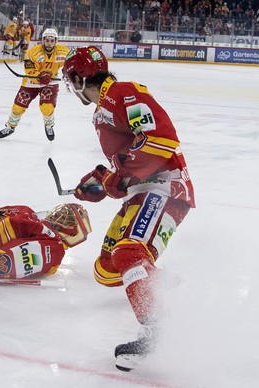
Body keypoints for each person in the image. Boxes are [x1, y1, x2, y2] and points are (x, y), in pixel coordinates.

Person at [61, 46, 195, 371]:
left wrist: (118, 174)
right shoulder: (103, 110)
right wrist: (103, 180)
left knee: (127, 253)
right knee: (106, 268)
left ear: (79, 78)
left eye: (70, 80)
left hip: (165, 187)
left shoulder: (122, 93)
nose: (70, 86)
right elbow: (127, 165)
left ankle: (156, 328)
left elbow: (160, 139)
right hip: (143, 193)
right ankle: (159, 282)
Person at [0, 28, 69, 142]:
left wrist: (67, 73)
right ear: (43, 40)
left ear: (56, 41)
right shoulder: (32, 52)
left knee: (47, 108)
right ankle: (10, 127)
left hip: (50, 82)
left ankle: (49, 126)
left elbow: (70, 64)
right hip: (31, 83)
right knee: (18, 107)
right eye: (47, 40)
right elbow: (29, 70)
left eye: (52, 40)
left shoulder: (64, 52)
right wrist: (39, 76)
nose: (49, 43)